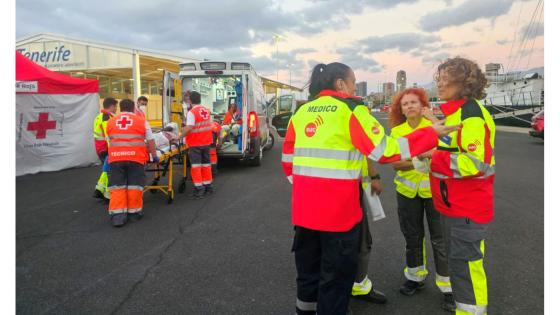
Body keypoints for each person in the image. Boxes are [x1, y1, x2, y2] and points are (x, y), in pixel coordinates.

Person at [281, 62, 459, 315]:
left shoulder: (301, 112)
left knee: (308, 274)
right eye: (353, 82)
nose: (355, 87)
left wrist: (310, 189)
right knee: (335, 279)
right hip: (339, 214)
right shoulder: (351, 110)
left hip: (304, 212)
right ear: (341, 84)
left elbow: (288, 163)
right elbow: (384, 150)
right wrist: (430, 134)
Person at [424, 57, 496, 315]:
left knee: (466, 267)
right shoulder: (456, 113)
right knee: (460, 265)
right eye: (439, 78)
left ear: (465, 83)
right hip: (454, 205)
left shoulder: (471, 115)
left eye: (446, 79)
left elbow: (476, 163)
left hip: (467, 207)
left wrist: (434, 156)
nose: (440, 84)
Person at [388, 88, 454, 311]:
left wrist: (419, 157)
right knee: (412, 237)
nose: (409, 106)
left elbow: (447, 153)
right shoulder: (397, 132)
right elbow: (396, 163)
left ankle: (447, 287)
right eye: (405, 104)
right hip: (407, 193)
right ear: (401, 109)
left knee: (440, 238)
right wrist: (423, 157)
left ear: (422, 105)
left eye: (413, 102)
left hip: (435, 191)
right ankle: (415, 277)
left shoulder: (433, 127)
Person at [106, 99, 158, 227]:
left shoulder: (111, 121)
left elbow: (109, 139)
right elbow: (150, 141)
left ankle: (118, 216)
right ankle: (134, 213)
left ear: (121, 108)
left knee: (117, 187)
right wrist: (154, 155)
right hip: (136, 159)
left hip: (116, 159)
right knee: (134, 186)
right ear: (133, 108)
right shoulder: (141, 121)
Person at [351, 157, 387, 305]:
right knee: (337, 246)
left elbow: (364, 151)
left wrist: (374, 176)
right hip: (331, 192)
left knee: (363, 241)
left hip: (354, 189)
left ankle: (359, 286)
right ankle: (337, 295)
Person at [181, 91, 214, 199]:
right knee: (206, 165)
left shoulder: (192, 112)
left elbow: (190, 127)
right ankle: (208, 186)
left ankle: (199, 190)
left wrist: (179, 136)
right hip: (206, 142)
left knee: (196, 167)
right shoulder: (206, 110)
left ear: (190, 100)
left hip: (195, 143)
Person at [92, 97, 117, 200]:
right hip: (105, 148)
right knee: (110, 171)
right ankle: (108, 195)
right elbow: (109, 136)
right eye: (115, 106)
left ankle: (99, 189)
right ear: (111, 106)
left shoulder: (100, 116)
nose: (116, 108)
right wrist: (113, 150)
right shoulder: (106, 118)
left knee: (106, 170)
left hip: (101, 148)